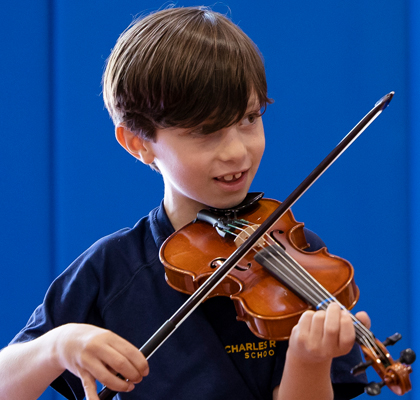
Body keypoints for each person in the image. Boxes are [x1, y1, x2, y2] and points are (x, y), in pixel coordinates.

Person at [0, 6, 370, 400]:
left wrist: (308, 361)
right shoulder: (112, 270)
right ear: (138, 144)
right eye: (206, 131)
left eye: (248, 118)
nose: (237, 152)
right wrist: (57, 345)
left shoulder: (293, 250)